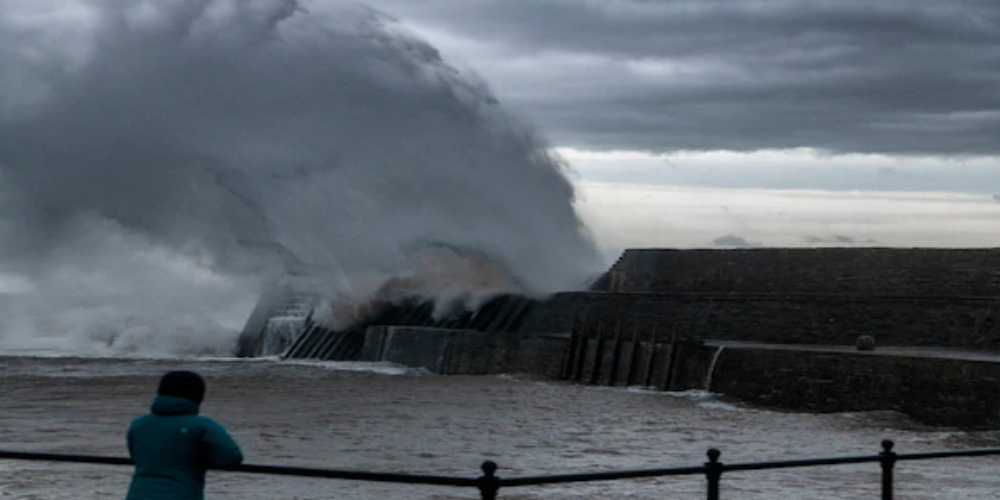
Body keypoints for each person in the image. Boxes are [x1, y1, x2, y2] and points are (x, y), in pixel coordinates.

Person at [125, 370, 244, 500]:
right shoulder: (202, 426)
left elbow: (136, 455)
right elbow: (231, 458)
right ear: (197, 396)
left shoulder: (139, 424)